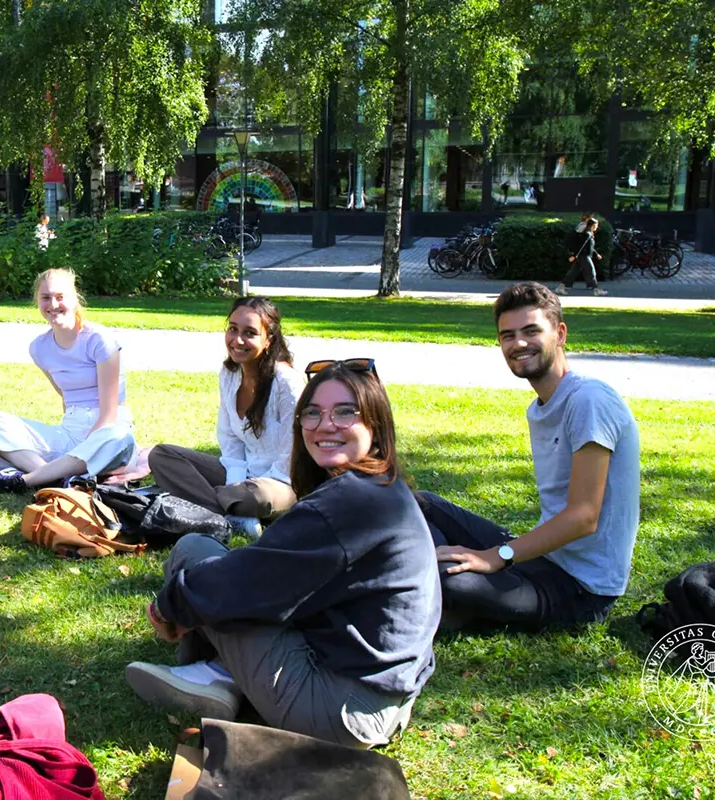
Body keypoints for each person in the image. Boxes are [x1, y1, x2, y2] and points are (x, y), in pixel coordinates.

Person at [125, 360, 440, 748]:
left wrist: (169, 607)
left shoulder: (350, 502)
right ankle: (221, 673)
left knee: (193, 556)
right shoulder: (379, 488)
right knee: (210, 559)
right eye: (313, 412)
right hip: (381, 695)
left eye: (345, 411)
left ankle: (208, 674)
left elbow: (244, 579)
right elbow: (274, 572)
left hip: (341, 710)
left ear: (375, 427)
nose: (326, 424)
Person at [425, 282, 640, 632]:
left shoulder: (589, 400)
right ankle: (434, 586)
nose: (518, 344)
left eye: (531, 331)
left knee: (450, 580)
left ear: (560, 333)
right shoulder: (540, 407)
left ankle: (437, 593)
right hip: (543, 558)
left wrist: (497, 557)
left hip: (581, 588)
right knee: (423, 504)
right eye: (507, 335)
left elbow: (584, 517)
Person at [148, 297, 305, 537]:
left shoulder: (286, 382)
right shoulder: (230, 374)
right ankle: (226, 515)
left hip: (281, 482)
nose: (237, 340)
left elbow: (291, 454)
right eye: (233, 329)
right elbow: (230, 440)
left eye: (250, 333)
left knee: (255, 496)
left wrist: (242, 489)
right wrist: (234, 484)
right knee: (162, 456)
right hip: (243, 474)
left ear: (268, 339)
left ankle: (211, 506)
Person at [0, 268, 136, 493]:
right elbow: (65, 396)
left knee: (118, 438)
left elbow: (110, 413)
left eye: (61, 297)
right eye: (46, 297)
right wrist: (73, 448)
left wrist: (86, 447)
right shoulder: (39, 348)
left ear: (75, 299)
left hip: (106, 430)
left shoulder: (100, 340)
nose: (53, 304)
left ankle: (27, 480)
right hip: (70, 430)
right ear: (37, 302)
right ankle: (58, 479)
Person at [558, 217, 607, 297]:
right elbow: (581, 246)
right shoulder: (587, 234)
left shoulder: (588, 233)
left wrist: (596, 254)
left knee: (572, 273)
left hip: (582, 256)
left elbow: (589, 247)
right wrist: (574, 255)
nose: (597, 227)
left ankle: (561, 288)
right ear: (592, 225)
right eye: (596, 225)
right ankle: (596, 290)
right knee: (591, 272)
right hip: (584, 256)